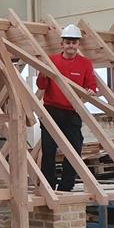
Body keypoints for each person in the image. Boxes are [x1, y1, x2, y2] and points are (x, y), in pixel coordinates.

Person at [36, 23, 96, 192]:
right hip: (52, 110)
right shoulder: (52, 61)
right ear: (62, 44)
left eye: (74, 42)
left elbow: (91, 85)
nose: (71, 45)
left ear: (78, 45)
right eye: (68, 42)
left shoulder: (85, 64)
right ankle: (48, 184)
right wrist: (43, 74)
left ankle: (66, 184)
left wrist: (90, 91)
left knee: (75, 148)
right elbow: (41, 85)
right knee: (49, 149)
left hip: (72, 111)